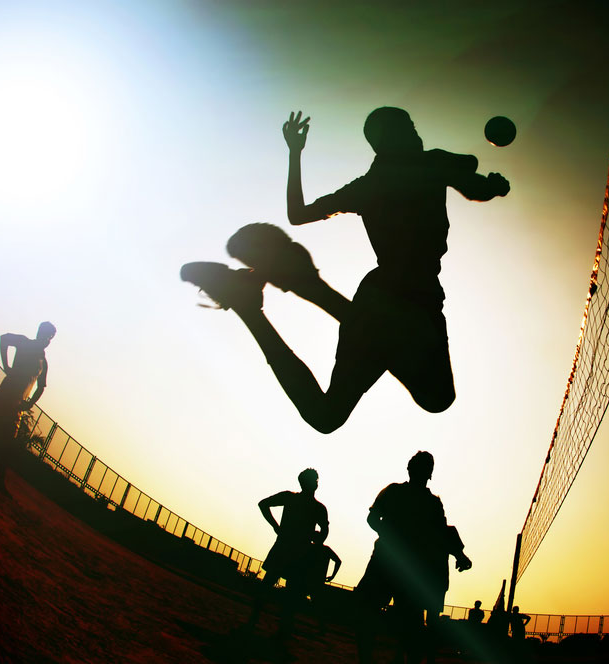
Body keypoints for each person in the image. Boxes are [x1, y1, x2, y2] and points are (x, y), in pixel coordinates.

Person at [181, 107, 510, 433]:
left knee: (330, 416)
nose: (414, 132)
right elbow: (473, 183)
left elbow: (298, 213)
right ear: (385, 140)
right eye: (406, 127)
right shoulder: (424, 166)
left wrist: (295, 154)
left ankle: (256, 307)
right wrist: (491, 185)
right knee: (435, 398)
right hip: (406, 297)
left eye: (412, 126)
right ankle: (283, 297)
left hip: (389, 295)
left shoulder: (374, 184)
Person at [355, 451, 471, 663]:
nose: (419, 472)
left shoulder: (430, 503)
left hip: (407, 569)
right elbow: (372, 518)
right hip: (389, 562)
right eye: (418, 467)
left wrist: (459, 554)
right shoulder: (397, 492)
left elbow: (442, 534)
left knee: (406, 627)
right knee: (369, 615)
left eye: (423, 468)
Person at [244, 468, 329, 643]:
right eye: (313, 480)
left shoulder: (305, 503)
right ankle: (263, 626)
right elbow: (324, 531)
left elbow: (324, 531)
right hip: (293, 552)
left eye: (315, 480)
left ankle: (272, 629)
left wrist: (278, 527)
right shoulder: (311, 506)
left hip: (291, 551)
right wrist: (277, 527)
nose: (315, 483)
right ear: (310, 483)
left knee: (280, 591)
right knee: (280, 591)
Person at [0, 321, 55, 492]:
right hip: (6, 393)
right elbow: (4, 339)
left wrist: (29, 403)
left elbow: (41, 386)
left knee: (8, 442)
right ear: (39, 332)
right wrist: (7, 366)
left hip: (18, 404)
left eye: (50, 338)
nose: (47, 340)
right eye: (46, 335)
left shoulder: (44, 362)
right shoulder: (24, 342)